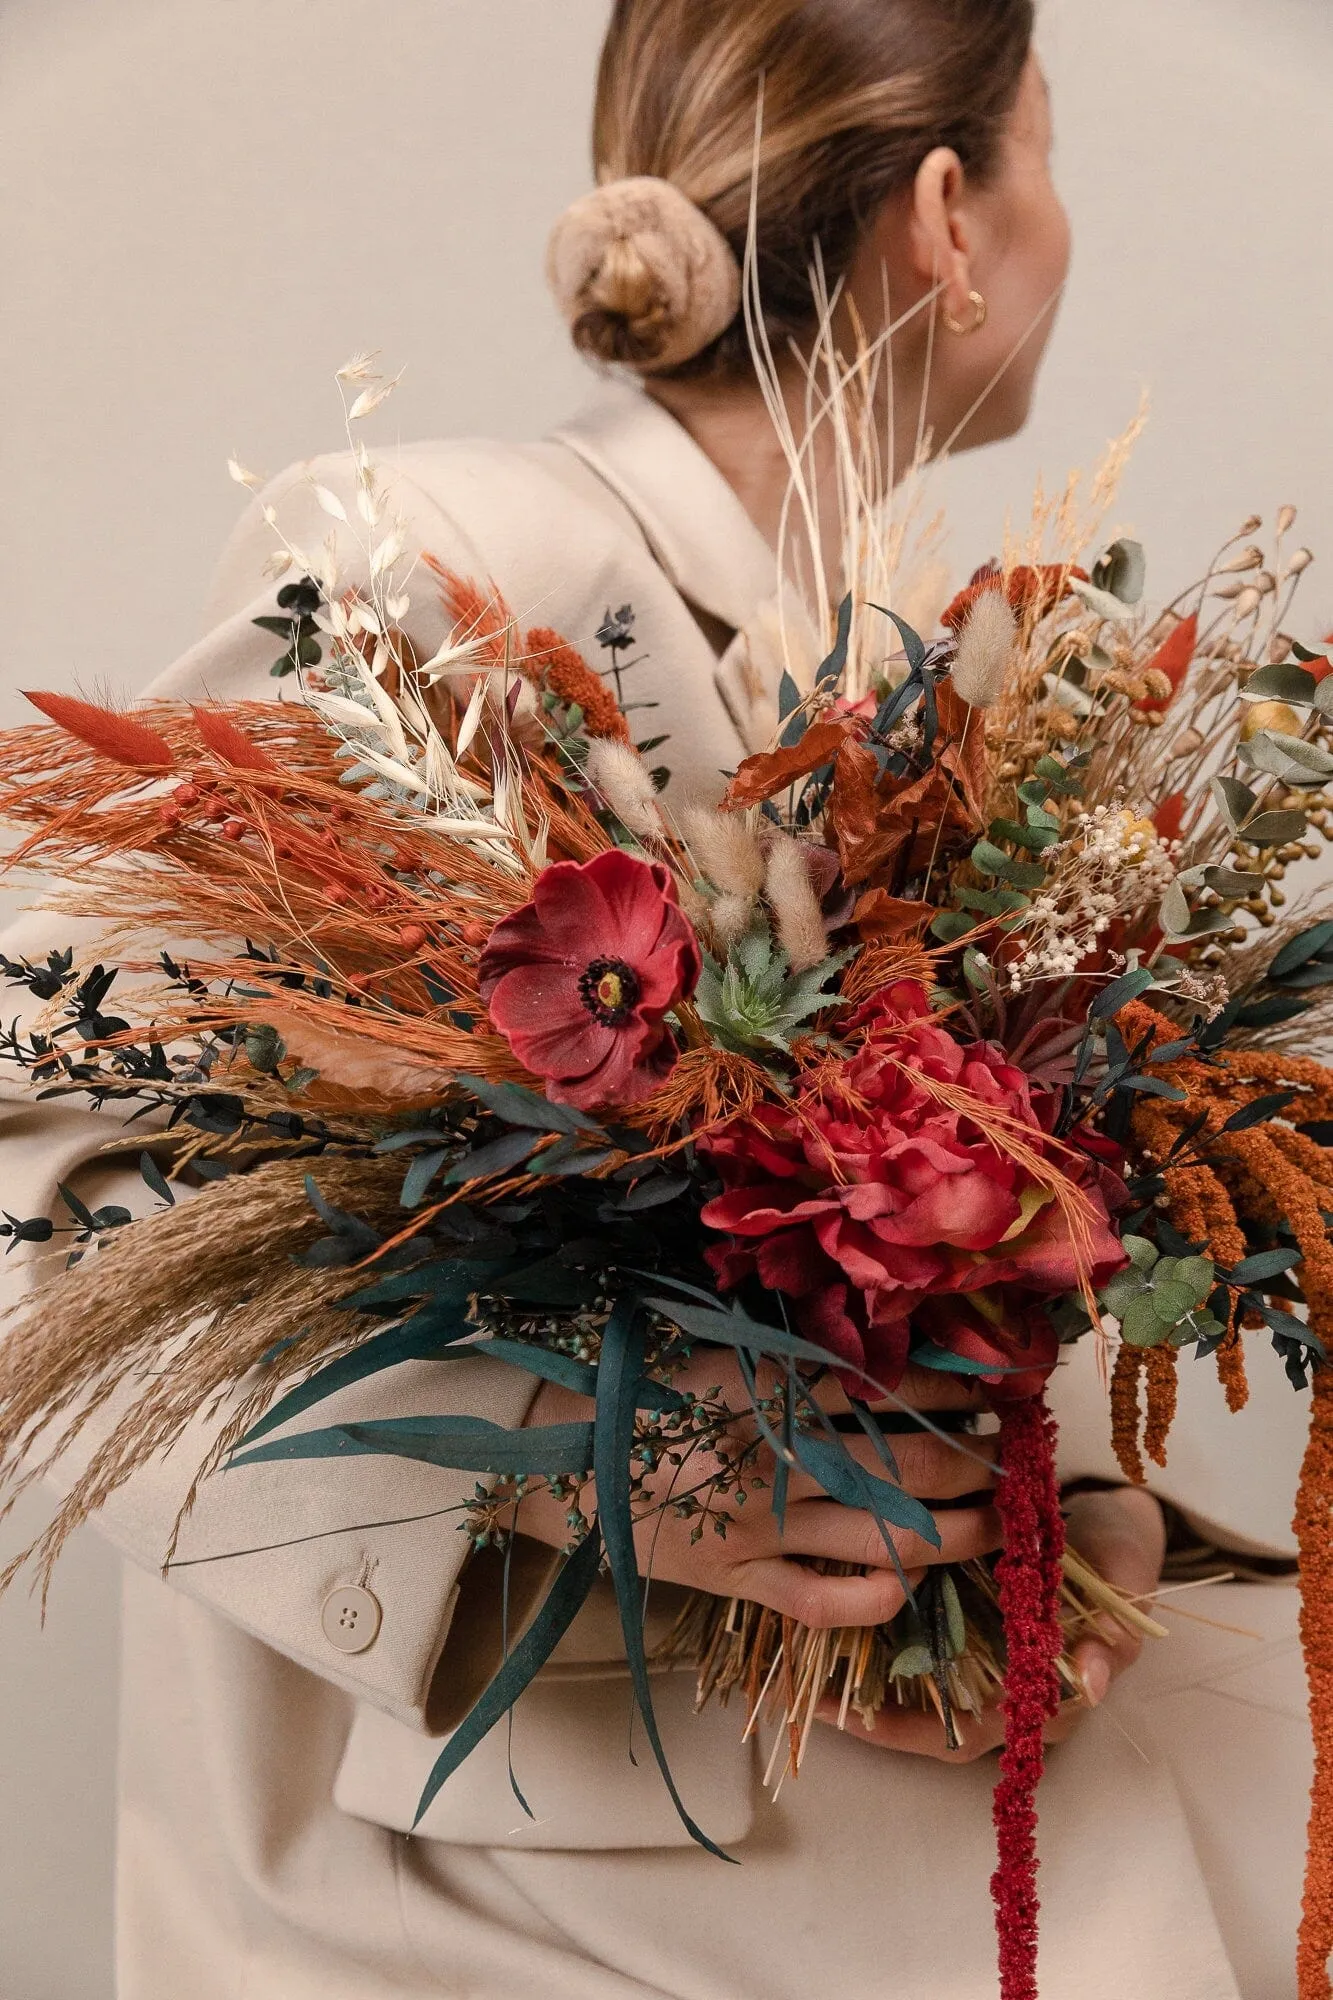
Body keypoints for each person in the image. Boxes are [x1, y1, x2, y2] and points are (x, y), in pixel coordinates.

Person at [0, 2, 1312, 1995]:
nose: (1065, 225)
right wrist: (577, 1451)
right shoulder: (445, 564)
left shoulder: (935, 680)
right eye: (1047, 151)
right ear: (952, 211)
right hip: (486, 1905)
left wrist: (1044, 1524)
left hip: (848, 1836)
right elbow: (41, 1155)